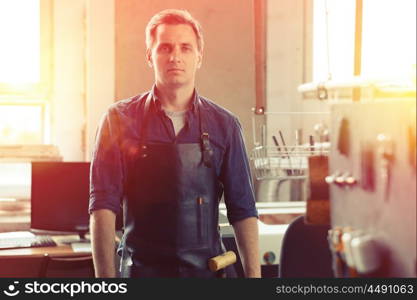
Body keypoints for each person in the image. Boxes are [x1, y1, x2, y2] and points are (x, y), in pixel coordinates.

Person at [89, 9, 260, 278]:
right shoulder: (118, 120)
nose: (175, 56)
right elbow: (102, 206)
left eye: (185, 48)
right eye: (165, 47)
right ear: (149, 56)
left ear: (199, 57)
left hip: (208, 275)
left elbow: (243, 209)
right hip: (140, 274)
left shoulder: (225, 125)